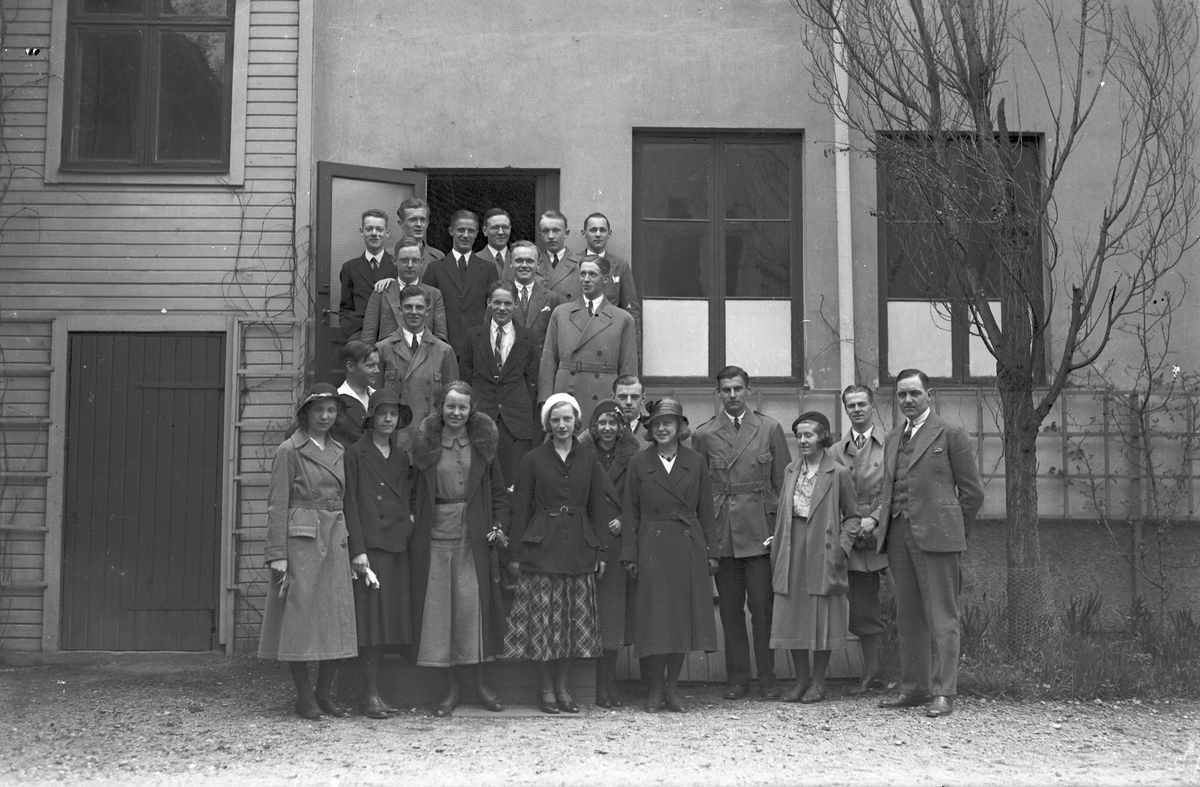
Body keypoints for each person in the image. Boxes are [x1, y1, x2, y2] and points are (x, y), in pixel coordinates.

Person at [870, 369, 985, 718]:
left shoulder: (950, 433)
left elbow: (973, 493)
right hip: (897, 535)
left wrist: (953, 531)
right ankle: (915, 688)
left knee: (942, 616)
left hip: (938, 537)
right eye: (901, 394)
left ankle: (943, 692)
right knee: (907, 616)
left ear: (929, 395)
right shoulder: (893, 437)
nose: (907, 400)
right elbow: (890, 488)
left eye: (914, 394)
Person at [504, 394, 622, 714]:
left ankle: (563, 687)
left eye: (567, 418)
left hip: (578, 549)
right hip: (542, 549)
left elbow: (597, 508)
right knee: (543, 624)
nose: (561, 424)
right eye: (555, 419)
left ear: (576, 421)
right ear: (547, 423)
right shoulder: (533, 459)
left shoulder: (588, 459)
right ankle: (545, 688)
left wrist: (601, 551)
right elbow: (521, 508)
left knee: (570, 623)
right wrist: (515, 554)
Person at [409, 381, 511, 717]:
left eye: (462, 407)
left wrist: (499, 526)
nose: (456, 412)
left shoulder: (483, 446)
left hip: (474, 535)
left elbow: (499, 494)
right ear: (441, 408)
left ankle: (479, 684)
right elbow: (413, 492)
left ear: (471, 410)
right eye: (450, 406)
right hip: (437, 532)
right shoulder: (426, 444)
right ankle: (450, 688)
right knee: (442, 611)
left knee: (471, 609)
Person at [258, 384, 358, 720]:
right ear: (306, 413)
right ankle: (304, 696)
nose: (325, 417)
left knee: (336, 617)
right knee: (299, 619)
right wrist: (277, 552)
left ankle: (324, 693)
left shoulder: (341, 451)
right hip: (302, 539)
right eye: (318, 410)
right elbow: (277, 504)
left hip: (336, 534)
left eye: (331, 410)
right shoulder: (289, 449)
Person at [692, 366, 792, 700]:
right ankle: (737, 678)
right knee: (731, 610)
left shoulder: (769, 428)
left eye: (738, 388)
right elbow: (699, 490)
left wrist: (778, 530)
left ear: (749, 390)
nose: (732, 395)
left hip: (760, 530)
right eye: (726, 390)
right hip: (724, 532)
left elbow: (783, 484)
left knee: (763, 607)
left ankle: (767, 678)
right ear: (718, 393)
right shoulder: (704, 434)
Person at [621, 398, 719, 713]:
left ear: (680, 427)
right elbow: (630, 511)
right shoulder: (639, 462)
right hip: (651, 545)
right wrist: (630, 555)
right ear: (649, 429)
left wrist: (711, 552)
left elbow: (707, 510)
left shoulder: (695, 461)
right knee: (654, 619)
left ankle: (673, 688)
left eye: (668, 423)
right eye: (656, 424)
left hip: (687, 545)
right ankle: (654, 688)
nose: (662, 429)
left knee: (679, 619)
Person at [769, 411, 861, 704]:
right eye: (799, 435)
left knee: (821, 614)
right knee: (793, 614)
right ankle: (801, 681)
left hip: (823, 547)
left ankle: (819, 682)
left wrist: (842, 548)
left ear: (822, 438)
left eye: (808, 435)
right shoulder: (790, 470)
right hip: (791, 546)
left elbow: (853, 516)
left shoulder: (838, 472)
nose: (802, 440)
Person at [342, 389, 414, 719]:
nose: (388, 419)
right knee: (370, 624)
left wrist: (409, 523)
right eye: (382, 413)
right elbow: (350, 503)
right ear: (371, 418)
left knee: (386, 623)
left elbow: (407, 498)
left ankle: (375, 693)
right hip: (370, 547)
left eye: (393, 414)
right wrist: (358, 550)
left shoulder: (401, 457)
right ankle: (367, 695)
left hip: (395, 545)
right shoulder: (355, 453)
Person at [578, 399, 641, 708]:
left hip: (616, 541)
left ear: (620, 427)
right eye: (601, 422)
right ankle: (591, 685)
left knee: (612, 617)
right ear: (594, 426)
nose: (607, 428)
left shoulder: (633, 456)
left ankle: (608, 682)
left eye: (612, 423)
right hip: (588, 538)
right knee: (590, 615)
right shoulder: (582, 454)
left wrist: (625, 519)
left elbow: (640, 495)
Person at [830, 384, 889, 694]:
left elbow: (898, 487)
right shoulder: (835, 451)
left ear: (872, 405)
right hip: (851, 536)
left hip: (887, 532)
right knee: (862, 607)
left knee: (900, 603)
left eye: (861, 404)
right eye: (850, 405)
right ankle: (871, 672)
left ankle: (905, 672)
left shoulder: (891, 444)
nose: (856, 409)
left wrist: (876, 517)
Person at [539, 255, 638, 425]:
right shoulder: (561, 314)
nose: (586, 279)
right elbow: (548, 362)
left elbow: (628, 369)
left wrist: (626, 404)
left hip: (604, 395)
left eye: (592, 274)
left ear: (605, 279)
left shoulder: (622, 318)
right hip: (567, 395)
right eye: (582, 274)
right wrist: (546, 401)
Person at [459, 284, 541, 473]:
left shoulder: (528, 337)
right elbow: (465, 379)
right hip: (482, 418)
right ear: (489, 303)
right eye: (497, 302)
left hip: (516, 423)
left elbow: (532, 382)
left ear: (516, 304)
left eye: (508, 303)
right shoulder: (473, 335)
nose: (502, 308)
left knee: (512, 478)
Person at [376, 286, 459, 454]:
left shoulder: (443, 351)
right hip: (394, 439)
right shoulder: (383, 349)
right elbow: (375, 398)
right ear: (400, 309)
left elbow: (452, 401)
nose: (414, 312)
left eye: (419, 307)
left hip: (430, 439)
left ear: (428, 311)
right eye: (408, 307)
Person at [421, 209, 500, 360]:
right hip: (444, 347)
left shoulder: (489, 269)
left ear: (477, 233)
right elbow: (427, 311)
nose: (465, 235)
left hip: (479, 348)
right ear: (451, 231)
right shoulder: (435, 268)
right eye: (461, 230)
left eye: (471, 231)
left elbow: (494, 310)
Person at [361, 235, 448, 345]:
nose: (410, 265)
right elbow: (368, 339)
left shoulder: (434, 295)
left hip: (424, 354)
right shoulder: (381, 293)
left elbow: (440, 339)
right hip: (387, 354)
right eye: (404, 260)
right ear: (394, 261)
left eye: (415, 260)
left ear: (422, 262)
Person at [581, 212, 642, 346]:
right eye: (593, 230)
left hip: (609, 336)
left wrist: (634, 350)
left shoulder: (620, 265)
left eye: (602, 230)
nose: (598, 234)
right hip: (580, 333)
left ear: (609, 234)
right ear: (584, 233)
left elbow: (631, 309)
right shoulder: (574, 263)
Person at [339, 209, 397, 341]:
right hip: (359, 333)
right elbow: (345, 307)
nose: (374, 233)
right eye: (369, 229)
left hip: (390, 334)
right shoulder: (349, 267)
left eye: (379, 229)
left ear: (387, 232)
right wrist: (351, 331)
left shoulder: (397, 265)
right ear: (362, 232)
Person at [501, 240, 561, 354]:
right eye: (519, 260)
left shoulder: (552, 298)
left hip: (538, 361)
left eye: (530, 261)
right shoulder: (499, 295)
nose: (524, 265)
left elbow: (556, 339)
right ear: (511, 264)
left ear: (538, 265)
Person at [393, 197, 444, 281]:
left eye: (422, 220)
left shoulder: (438, 257)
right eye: (413, 220)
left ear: (427, 224)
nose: (419, 224)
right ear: (401, 224)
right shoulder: (389, 256)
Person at [537, 210, 582, 303]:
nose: (550, 236)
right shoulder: (532, 265)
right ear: (540, 235)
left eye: (556, 230)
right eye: (545, 231)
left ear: (566, 233)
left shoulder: (581, 264)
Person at [476, 208, 512, 278]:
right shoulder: (472, 261)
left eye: (505, 227)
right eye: (495, 228)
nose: (501, 232)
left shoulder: (522, 261)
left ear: (510, 229)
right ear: (485, 231)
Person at [613, 374, 649, 444]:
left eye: (634, 397)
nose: (628, 402)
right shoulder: (603, 430)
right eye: (623, 397)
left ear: (643, 399)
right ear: (613, 398)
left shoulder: (653, 431)